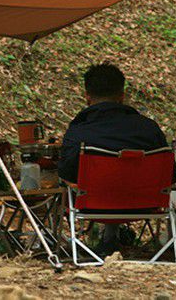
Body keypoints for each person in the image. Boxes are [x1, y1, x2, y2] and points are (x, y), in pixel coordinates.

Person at [59, 63, 169, 256]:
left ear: (87, 96)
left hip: (92, 206)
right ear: (122, 95)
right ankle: (110, 238)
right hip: (146, 205)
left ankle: (58, 243)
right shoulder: (149, 129)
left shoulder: (79, 131)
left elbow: (66, 173)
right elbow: (170, 175)